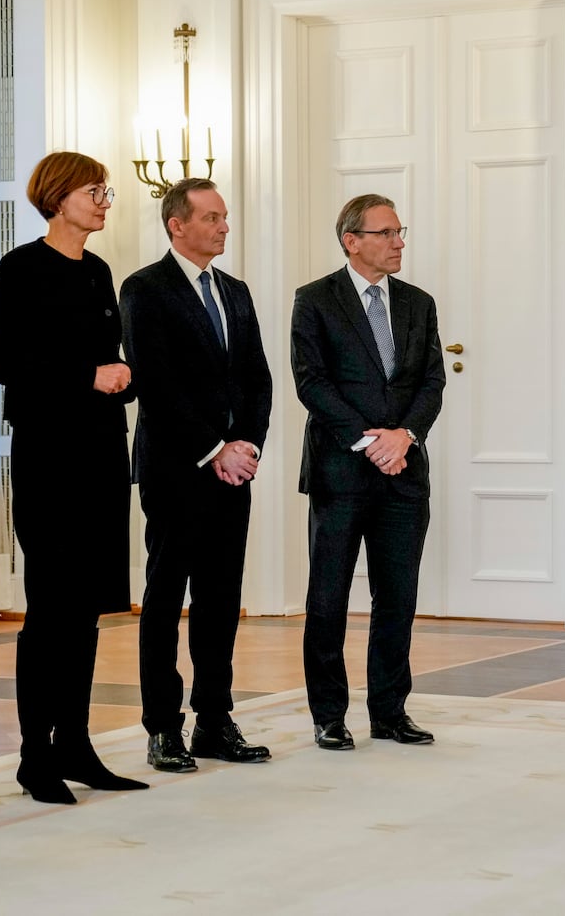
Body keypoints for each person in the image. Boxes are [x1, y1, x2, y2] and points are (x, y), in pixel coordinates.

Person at [0, 152, 144, 803]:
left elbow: (104, 358)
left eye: (107, 191)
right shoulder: (20, 268)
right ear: (57, 197)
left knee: (87, 609)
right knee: (51, 607)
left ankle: (74, 743)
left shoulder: (101, 270)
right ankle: (34, 756)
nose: (105, 200)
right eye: (93, 190)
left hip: (104, 450)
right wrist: (87, 376)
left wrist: (121, 374)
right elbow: (0, 359)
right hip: (50, 456)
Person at [119, 178, 273, 772]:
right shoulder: (145, 289)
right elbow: (154, 385)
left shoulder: (234, 291)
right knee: (164, 599)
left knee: (220, 598)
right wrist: (214, 449)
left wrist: (248, 445)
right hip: (177, 468)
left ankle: (215, 719)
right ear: (176, 225)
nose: (223, 226)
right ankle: (163, 726)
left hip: (235, 472)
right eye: (211, 217)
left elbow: (257, 377)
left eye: (225, 217)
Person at [291, 193, 446, 751]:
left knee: (397, 596)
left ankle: (390, 711)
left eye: (400, 231)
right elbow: (312, 384)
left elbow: (433, 381)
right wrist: (369, 441)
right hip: (341, 471)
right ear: (352, 241)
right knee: (328, 599)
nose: (398, 241)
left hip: (405, 471)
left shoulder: (418, 303)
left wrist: (404, 437)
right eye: (386, 233)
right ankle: (328, 715)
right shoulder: (314, 300)